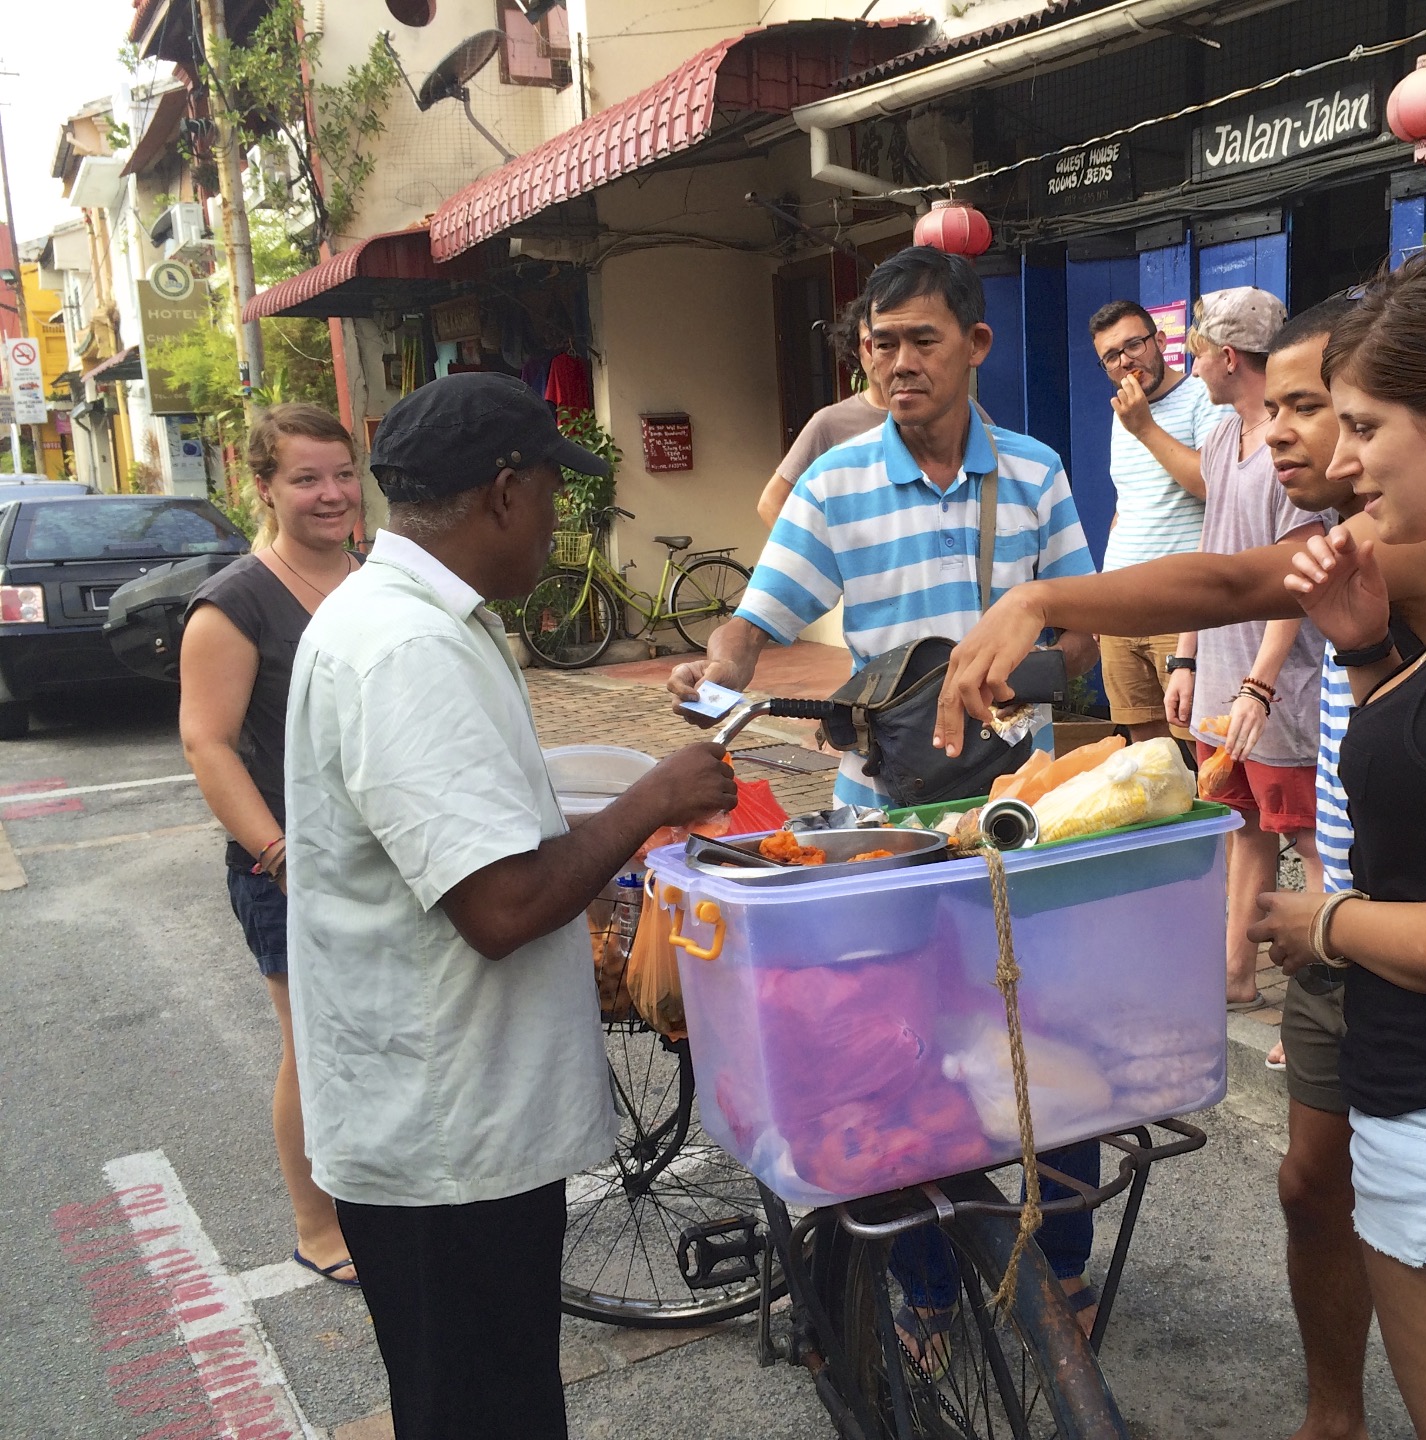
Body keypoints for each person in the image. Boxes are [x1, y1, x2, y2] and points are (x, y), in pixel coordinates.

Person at [937, 242, 1426, 1440]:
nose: (1338, 456)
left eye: (1362, 423)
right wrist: (1370, 652)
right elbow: (1253, 595)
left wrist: (1311, 921)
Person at [667, 244, 1104, 1359]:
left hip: (1020, 808)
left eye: (920, 341)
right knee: (900, 1051)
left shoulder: (1040, 474)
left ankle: (1058, 1265)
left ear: (976, 345)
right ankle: (925, 1287)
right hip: (887, 818)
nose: (898, 363)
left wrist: (1040, 667)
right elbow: (757, 618)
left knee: (1049, 1039)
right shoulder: (836, 481)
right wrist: (718, 672)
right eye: (879, 345)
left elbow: (1082, 629)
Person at [283, 372, 737, 1440]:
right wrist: (651, 799)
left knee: (492, 1406)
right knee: (482, 1415)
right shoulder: (406, 648)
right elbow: (499, 906)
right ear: (500, 493)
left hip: (448, 1125)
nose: (554, 520)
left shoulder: (417, 618)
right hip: (444, 1143)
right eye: (547, 490)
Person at [179, 404, 366, 1289]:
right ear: (263, 487)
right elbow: (207, 744)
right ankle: (316, 1225)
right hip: (288, 868)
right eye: (305, 478)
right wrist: (280, 854)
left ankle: (375, 1198)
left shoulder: (366, 576)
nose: (331, 494)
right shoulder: (235, 603)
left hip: (373, 862)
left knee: (371, 1038)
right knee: (312, 1046)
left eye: (340, 474)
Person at [1165, 287, 1332, 1016]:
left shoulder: (1292, 452)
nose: (1194, 368)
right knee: (1242, 832)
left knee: (1314, 843)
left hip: (1282, 690)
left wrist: (1259, 686)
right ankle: (1234, 973)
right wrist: (1187, 657)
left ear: (1228, 356)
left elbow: (1298, 576)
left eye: (1198, 352)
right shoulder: (1219, 440)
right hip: (1223, 679)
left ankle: (1322, 996)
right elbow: (1213, 553)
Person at [1088, 298, 1230, 742]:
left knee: (1200, 745)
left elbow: (1214, 486)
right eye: (1111, 356)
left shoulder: (1203, 399)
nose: (1125, 361)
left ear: (1161, 342)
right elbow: (1127, 503)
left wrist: (1144, 426)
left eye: (1134, 345)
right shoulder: (1124, 414)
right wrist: (1102, 595)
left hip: (1182, 607)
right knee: (1146, 760)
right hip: (1120, 607)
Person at [756, 297, 889, 528]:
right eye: (872, 343)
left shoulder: (953, 414)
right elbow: (771, 503)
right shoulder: (830, 423)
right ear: (857, 350)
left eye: (889, 342)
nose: (880, 353)